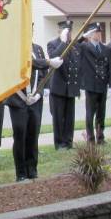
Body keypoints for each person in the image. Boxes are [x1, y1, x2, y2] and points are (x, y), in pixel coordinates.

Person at [7, 40, 62, 181]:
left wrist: (39, 93)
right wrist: (49, 62)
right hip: (18, 98)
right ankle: (21, 173)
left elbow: (43, 75)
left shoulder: (37, 49)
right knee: (20, 136)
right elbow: (28, 62)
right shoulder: (13, 47)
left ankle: (32, 170)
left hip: (35, 100)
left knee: (33, 135)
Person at [47, 20, 81, 149]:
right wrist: (62, 42)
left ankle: (68, 141)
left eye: (69, 31)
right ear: (59, 31)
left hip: (71, 87)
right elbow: (55, 58)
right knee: (58, 118)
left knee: (69, 117)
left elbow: (77, 65)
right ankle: (59, 143)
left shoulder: (74, 45)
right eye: (66, 31)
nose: (68, 34)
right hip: (58, 87)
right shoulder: (53, 44)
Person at [79, 22, 111, 144]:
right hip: (91, 85)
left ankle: (100, 136)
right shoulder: (85, 47)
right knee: (90, 113)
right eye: (95, 32)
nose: (98, 34)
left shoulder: (105, 48)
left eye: (99, 32)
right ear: (90, 34)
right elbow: (75, 45)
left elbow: (109, 67)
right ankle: (90, 138)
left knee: (101, 113)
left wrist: (110, 84)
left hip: (102, 84)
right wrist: (84, 36)